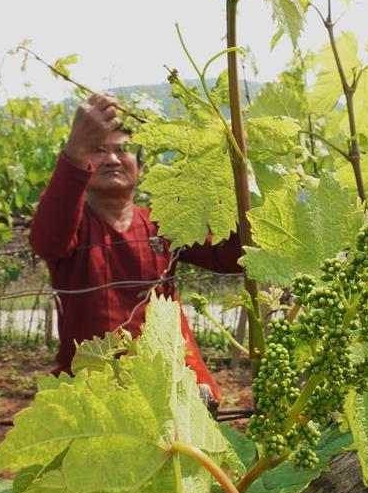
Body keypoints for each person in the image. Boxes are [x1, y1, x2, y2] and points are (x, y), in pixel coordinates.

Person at [29, 92, 243, 400]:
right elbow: (46, 242)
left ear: (140, 168)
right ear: (85, 163)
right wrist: (75, 149)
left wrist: (234, 186)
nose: (113, 159)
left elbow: (230, 259)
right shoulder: (70, 225)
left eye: (123, 150)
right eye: (99, 150)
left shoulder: (164, 223)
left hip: (170, 378)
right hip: (95, 386)